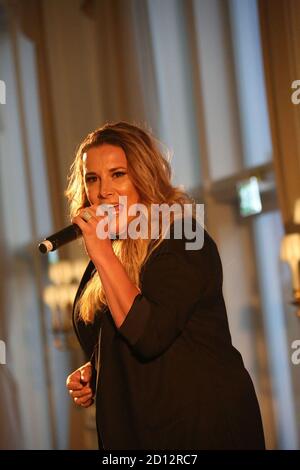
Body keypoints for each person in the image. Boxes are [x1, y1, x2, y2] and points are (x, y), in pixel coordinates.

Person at [65, 121, 265, 450]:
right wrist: (98, 370)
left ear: (144, 177)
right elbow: (122, 335)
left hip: (200, 428)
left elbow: (148, 335)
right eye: (92, 178)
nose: (103, 192)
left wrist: (100, 251)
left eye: (118, 174)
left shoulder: (184, 240)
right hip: (137, 429)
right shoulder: (108, 254)